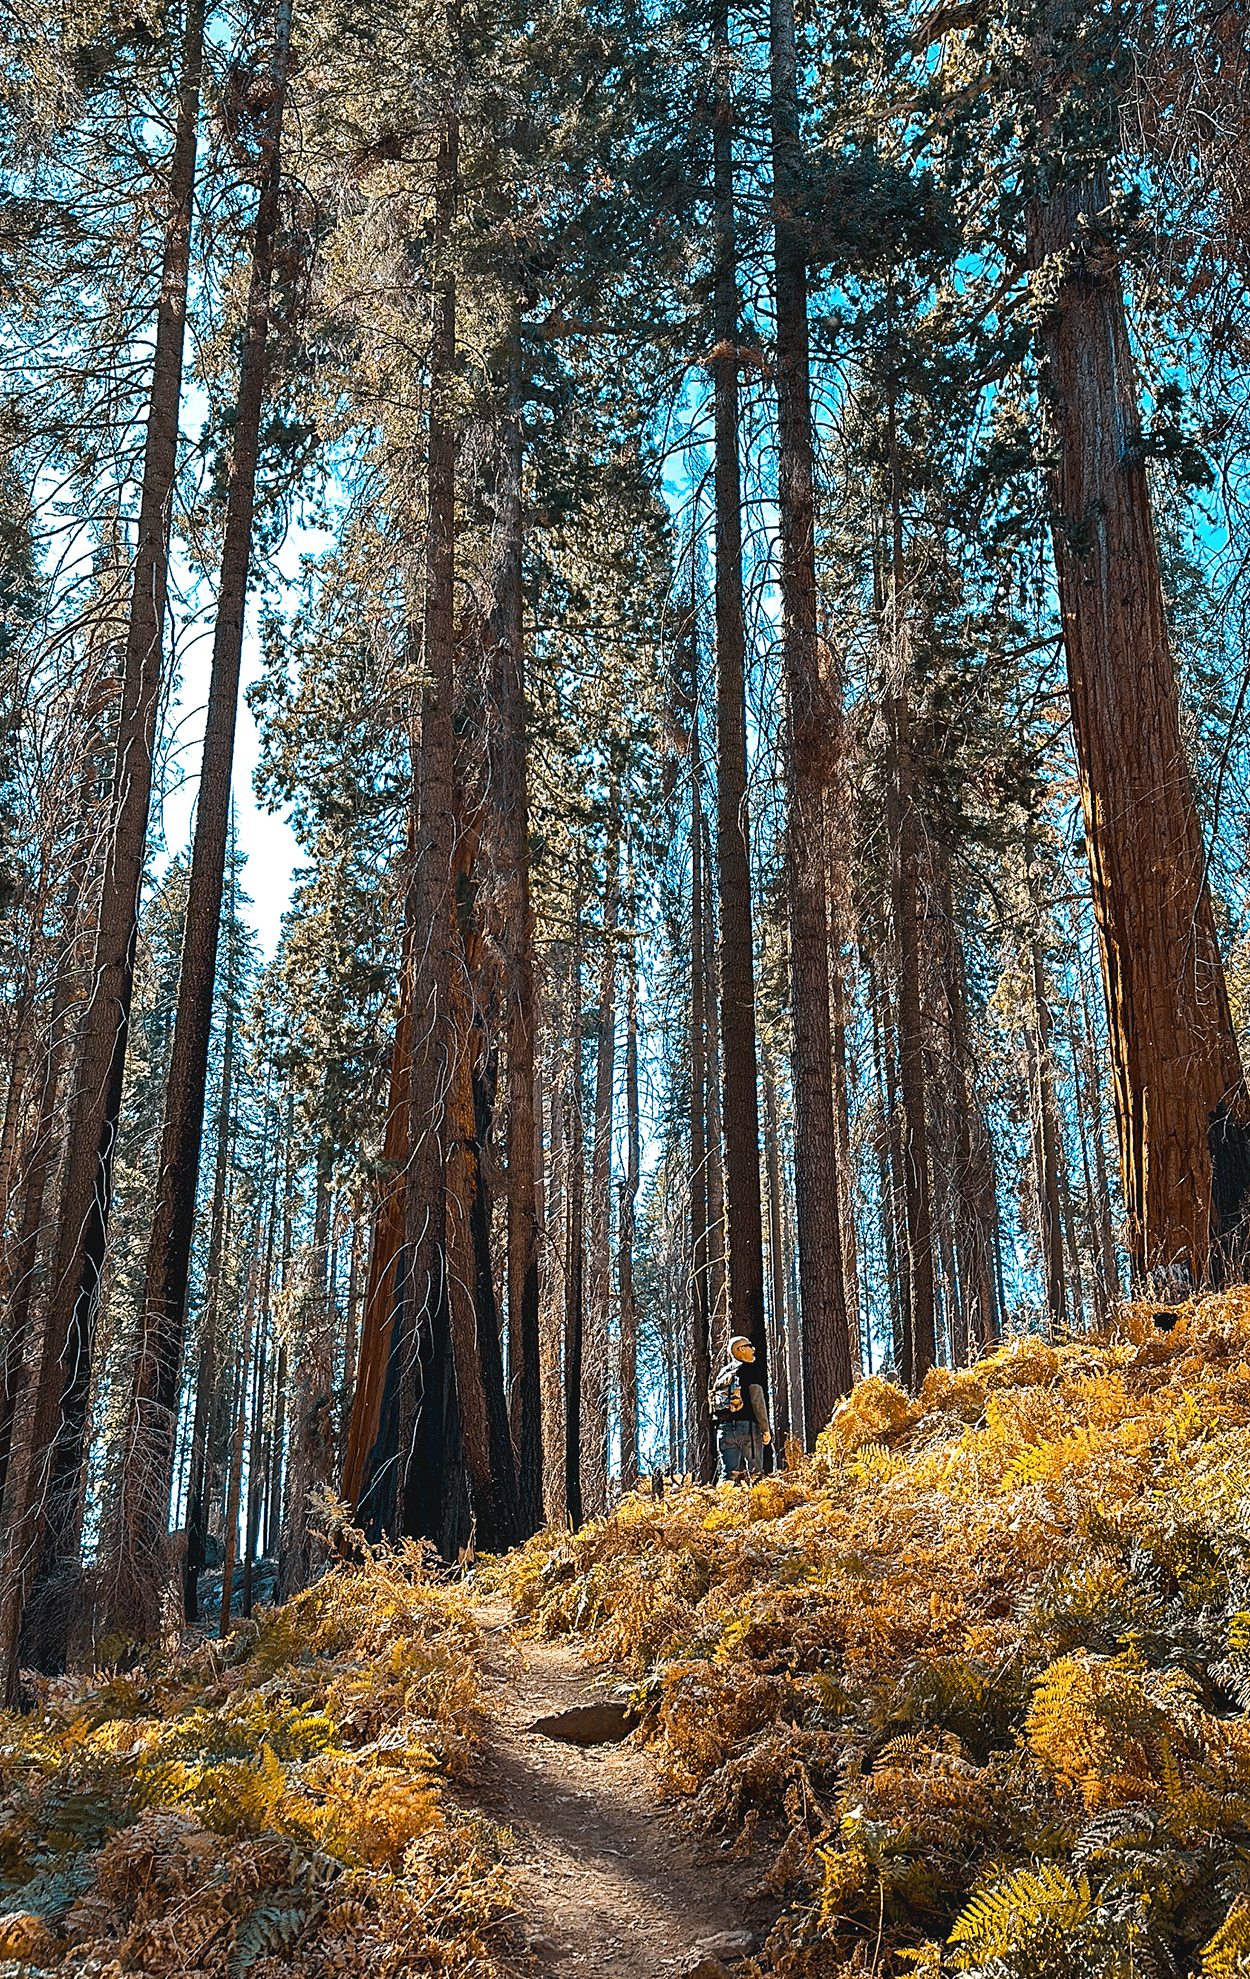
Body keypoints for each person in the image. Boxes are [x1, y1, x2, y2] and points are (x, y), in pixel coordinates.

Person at [708, 1335, 772, 1483]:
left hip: (724, 1430)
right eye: (750, 1346)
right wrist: (765, 1428)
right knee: (756, 1474)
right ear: (741, 1349)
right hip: (747, 1429)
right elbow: (757, 1401)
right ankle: (759, 1505)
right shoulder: (750, 1369)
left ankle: (725, 1503)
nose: (753, 1349)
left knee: (728, 1475)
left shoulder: (723, 1373)